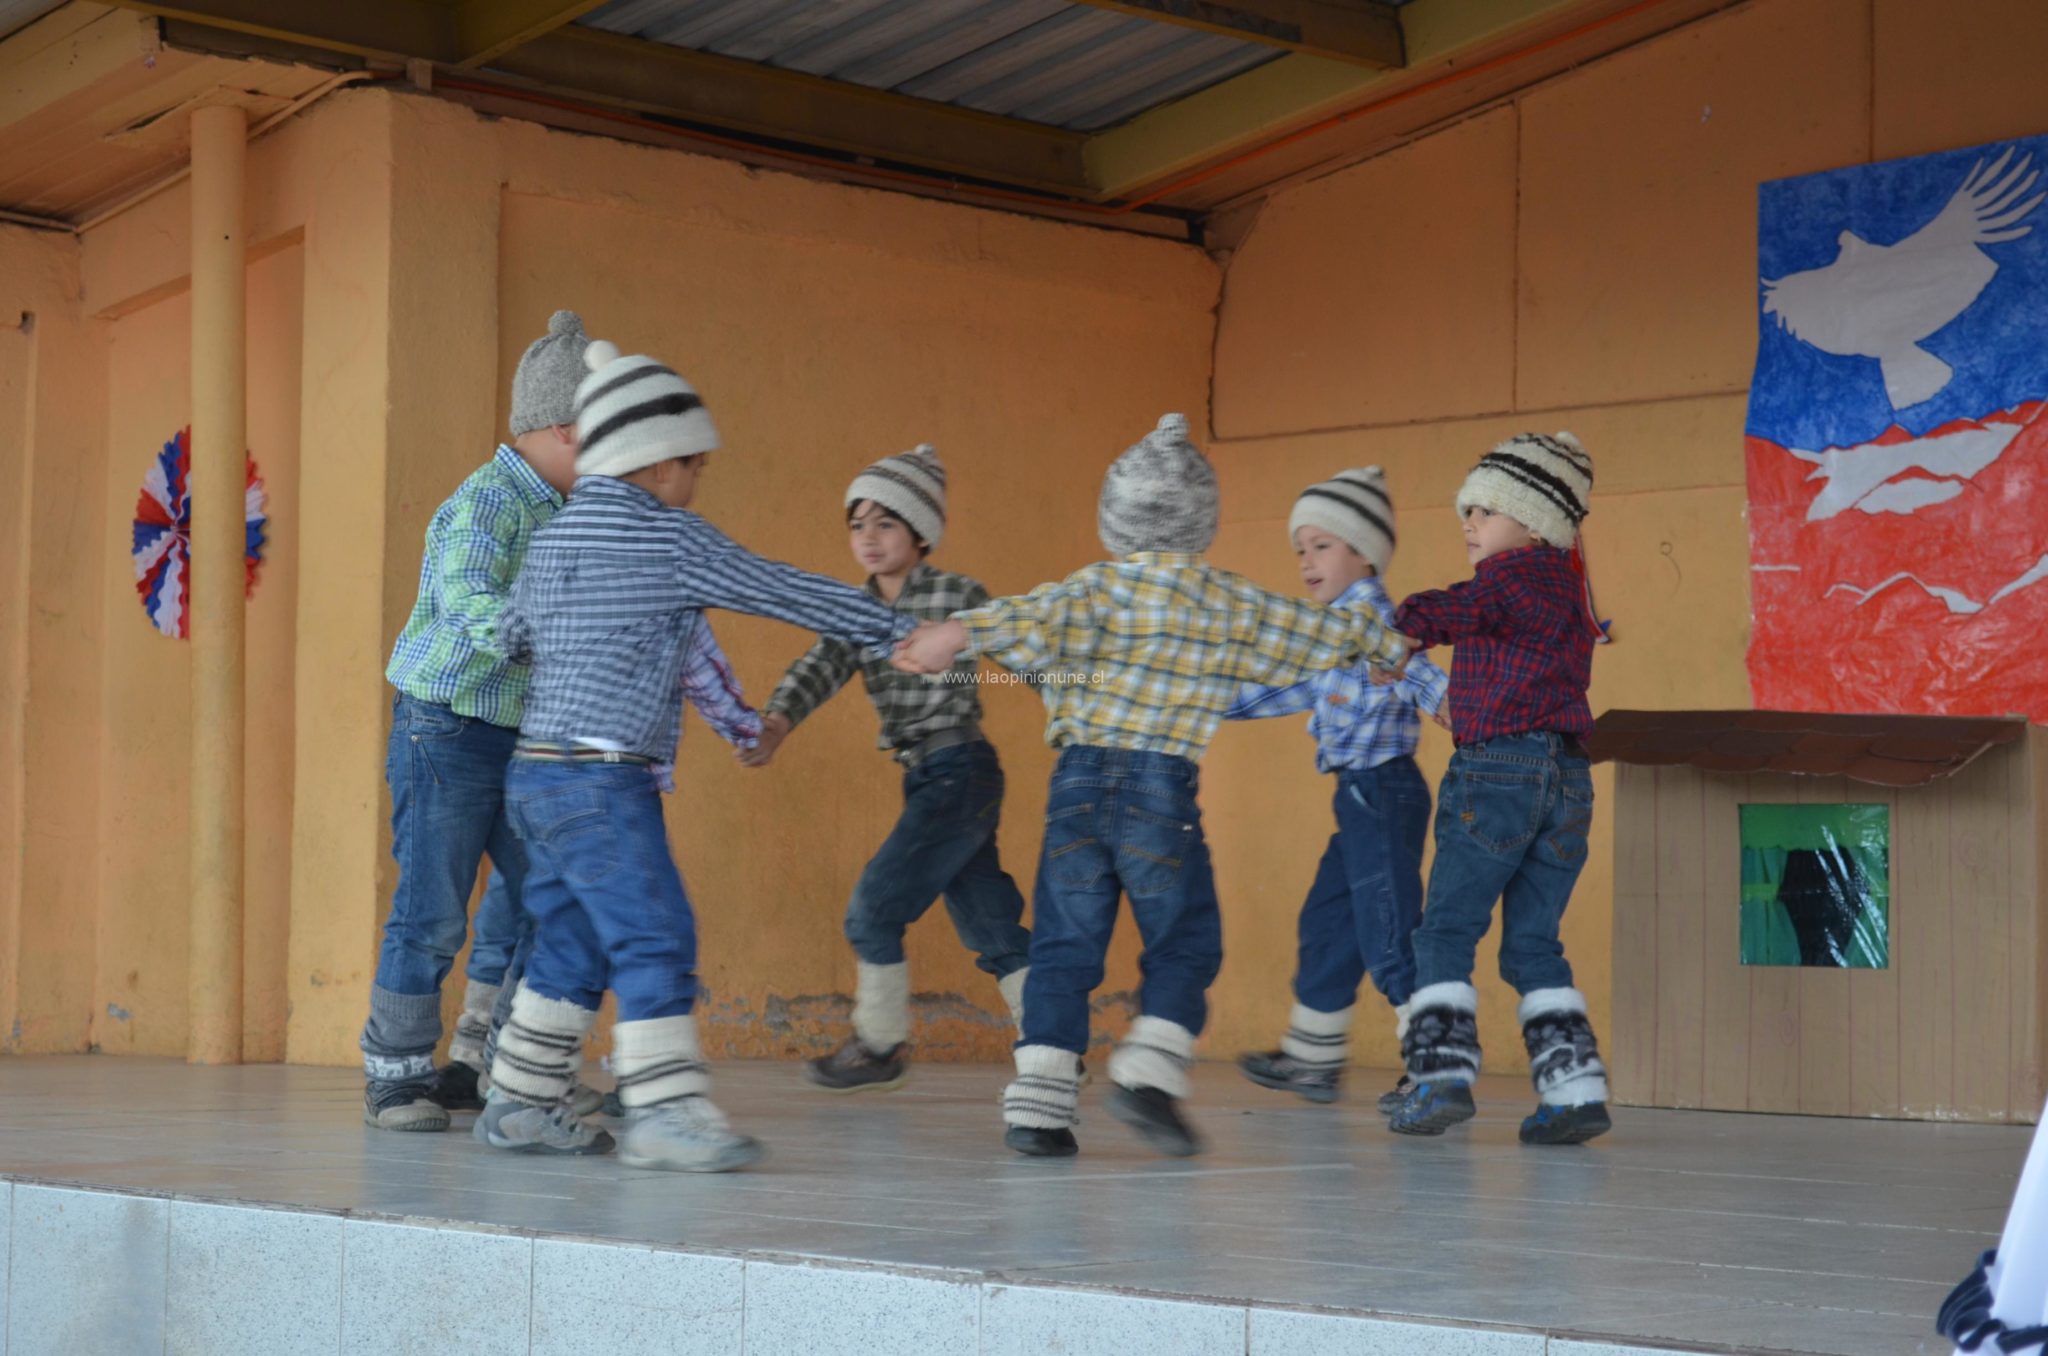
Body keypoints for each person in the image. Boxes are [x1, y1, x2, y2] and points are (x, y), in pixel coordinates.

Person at [893, 414, 1409, 1160]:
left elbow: (1026, 621)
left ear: (1114, 522)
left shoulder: (1090, 591)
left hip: (1077, 787)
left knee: (1066, 948)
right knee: (1185, 941)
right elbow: (1313, 631)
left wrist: (956, 636)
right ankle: (1147, 1070)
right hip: (1160, 793)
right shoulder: (1223, 599)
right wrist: (1385, 648)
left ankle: (1039, 1105)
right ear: (1202, 524)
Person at [477, 338, 915, 1172]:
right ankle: (666, 1110)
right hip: (606, 779)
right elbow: (784, 589)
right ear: (657, 464)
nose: (696, 483)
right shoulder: (673, 539)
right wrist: (898, 628)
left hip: (535, 774)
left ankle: (522, 1100)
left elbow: (513, 637)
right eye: (694, 466)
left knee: (570, 937)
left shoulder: (554, 540)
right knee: (654, 932)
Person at [745, 445, 1034, 1092]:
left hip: (961, 767)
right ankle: (1055, 1041)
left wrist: (1083, 691)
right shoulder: (856, 610)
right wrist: (775, 726)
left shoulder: (957, 595)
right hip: (929, 778)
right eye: (857, 525)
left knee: (872, 911)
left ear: (920, 531)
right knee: (991, 923)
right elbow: (817, 669)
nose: (868, 539)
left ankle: (880, 1041)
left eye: (885, 523)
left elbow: (1024, 651)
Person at [359, 309, 586, 1132]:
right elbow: (466, 602)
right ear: (560, 431)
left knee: (551, 898)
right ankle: (396, 1072)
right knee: (432, 911)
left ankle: (509, 1066)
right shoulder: (487, 503)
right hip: (446, 731)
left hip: (524, 740)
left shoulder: (570, 512)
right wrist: (538, 640)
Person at [1383, 432, 1613, 1146]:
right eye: (1468, 510)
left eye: (1487, 509)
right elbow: (1517, 671)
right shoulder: (1567, 593)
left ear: (1536, 520)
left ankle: (1441, 1076)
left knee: (1446, 928)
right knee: (1533, 946)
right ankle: (1574, 1091)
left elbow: (1456, 609)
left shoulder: (1514, 576)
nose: (1469, 522)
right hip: (1566, 779)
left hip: (1497, 776)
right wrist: (1466, 702)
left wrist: (1400, 632)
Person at [1227, 468, 1450, 1115]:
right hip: (1357, 798)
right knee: (1329, 921)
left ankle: (1436, 1067)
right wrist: (1189, 700)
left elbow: (1422, 677)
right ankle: (1313, 1058)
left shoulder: (1379, 623)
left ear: (1365, 553)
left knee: (1388, 930)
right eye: (1301, 549)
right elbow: (1277, 691)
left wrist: (1462, 710)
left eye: (1321, 545)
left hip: (1383, 793)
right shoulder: (1330, 635)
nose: (1306, 562)